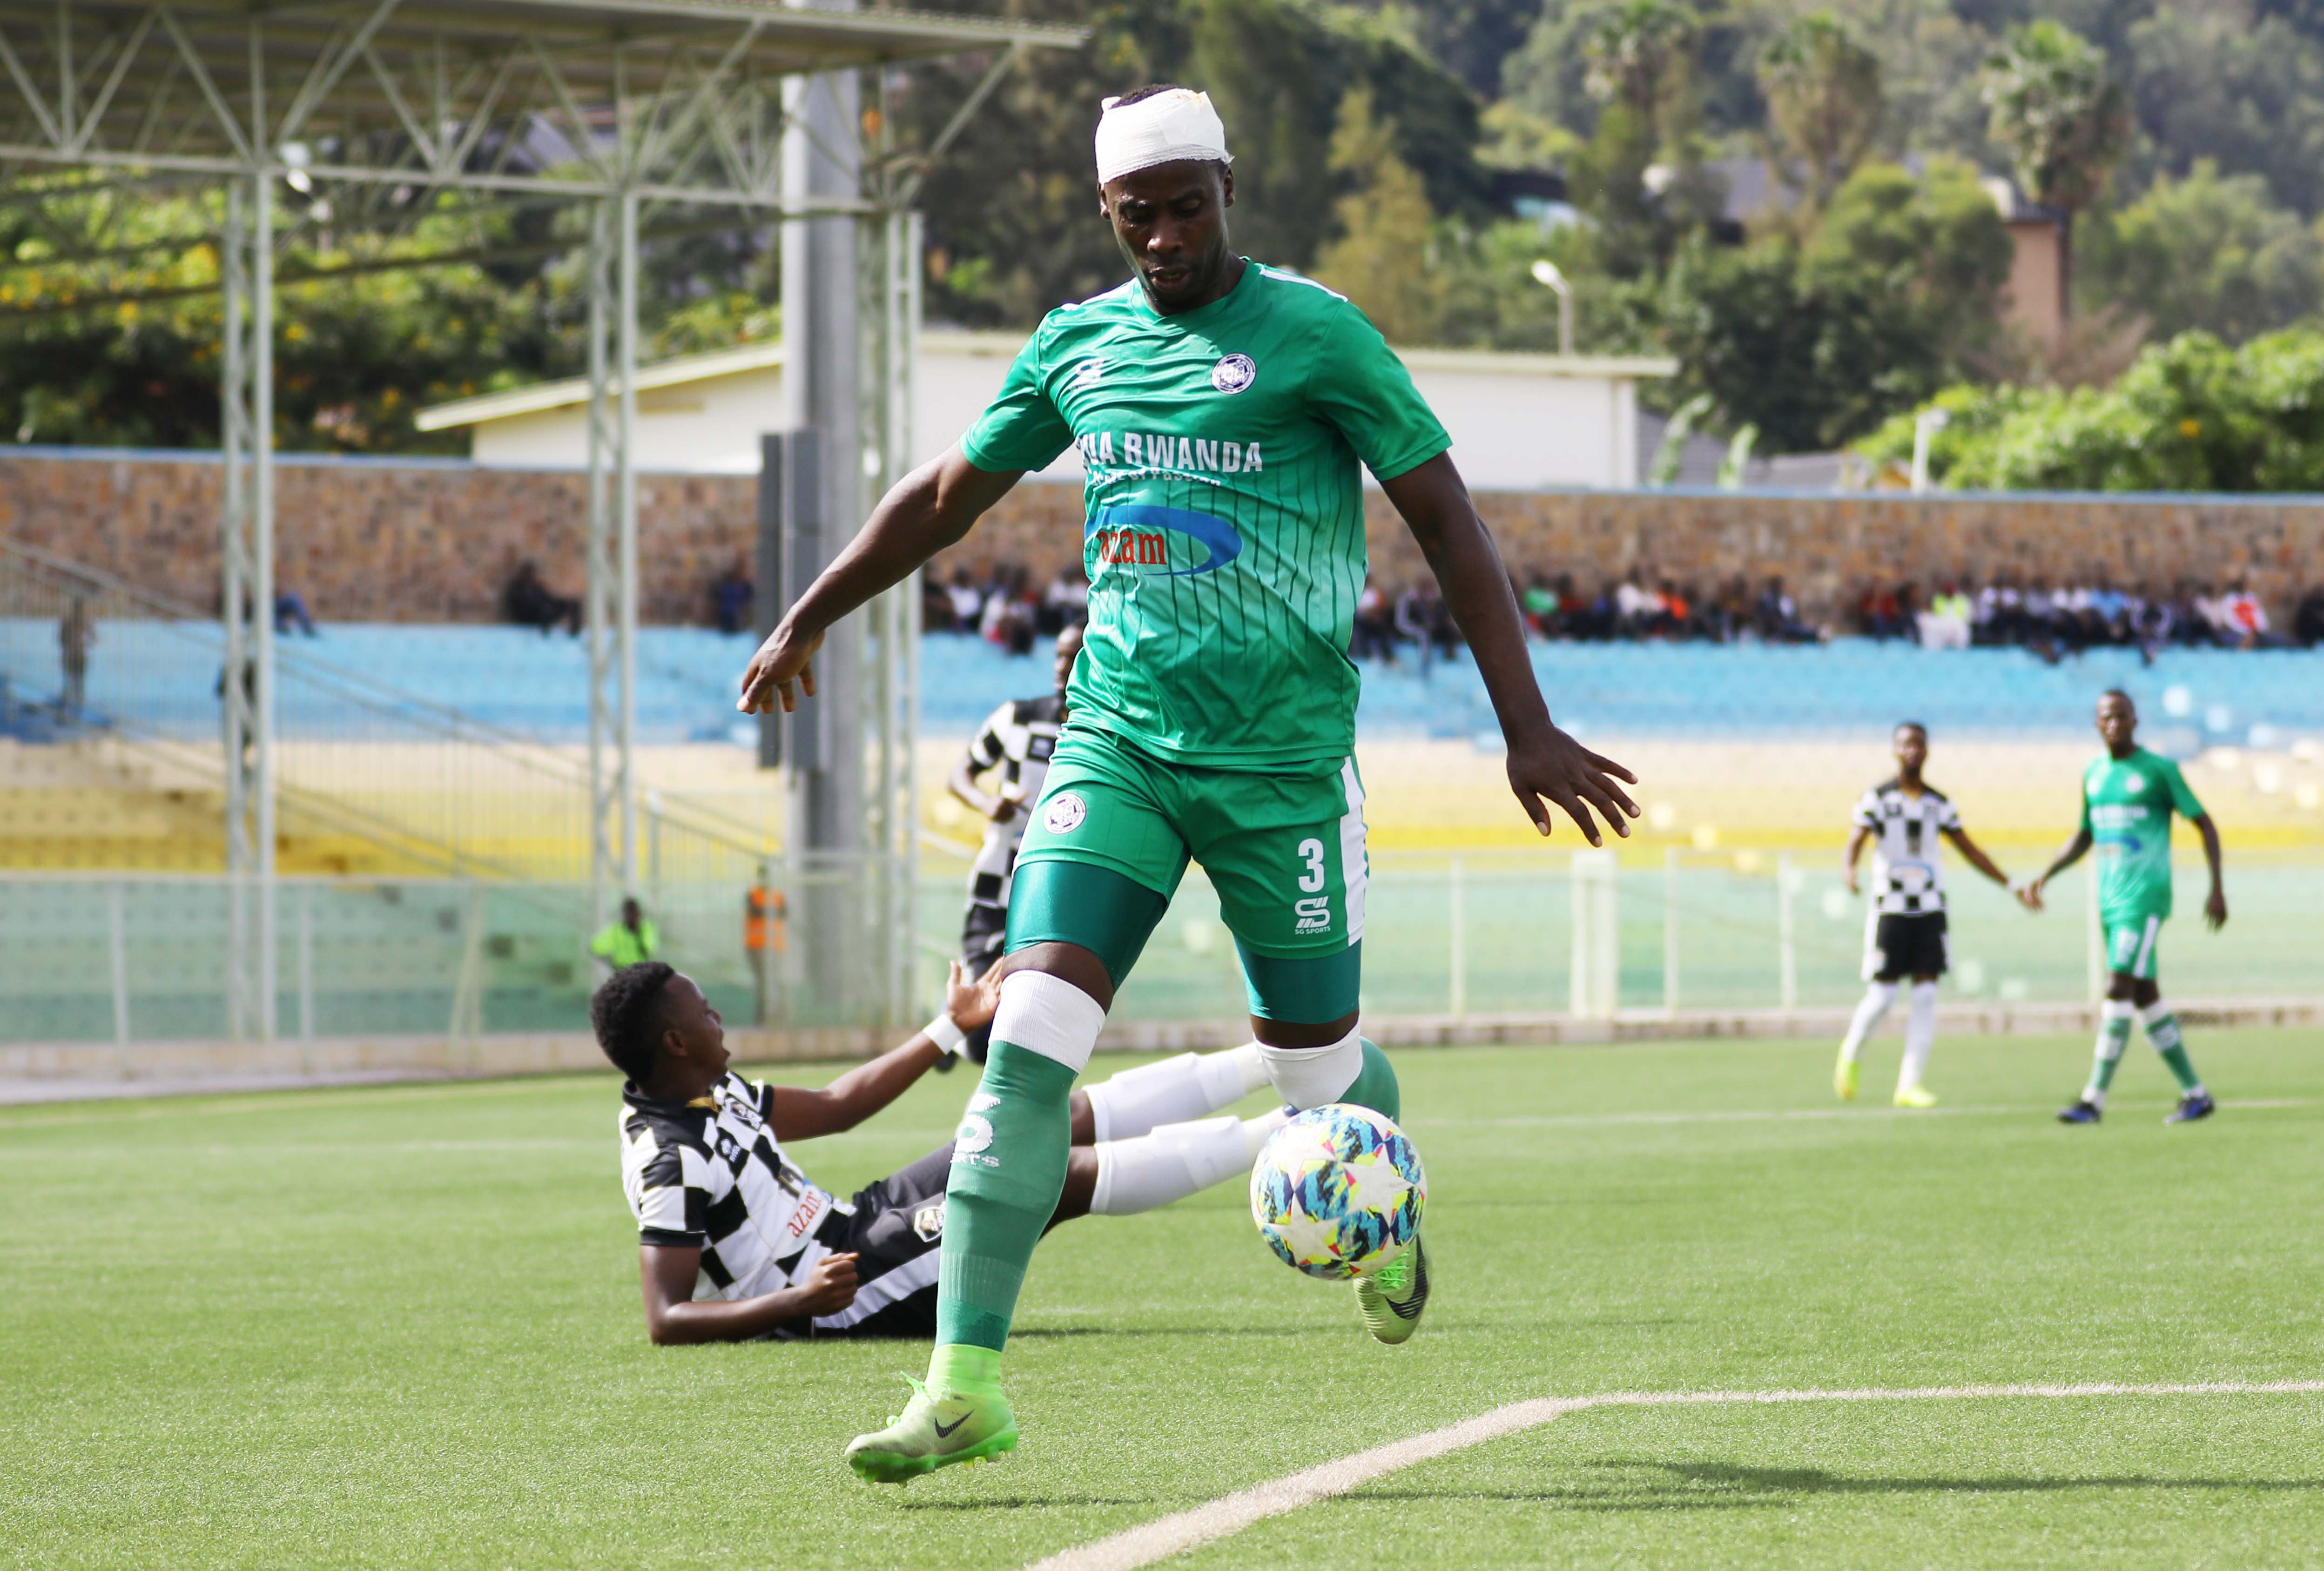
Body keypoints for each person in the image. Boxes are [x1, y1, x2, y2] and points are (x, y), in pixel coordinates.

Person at [734, 82, 1637, 1483]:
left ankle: (1376, 1204)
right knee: (1026, 1034)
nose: (1160, 237)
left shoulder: (1313, 335)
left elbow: (1446, 521)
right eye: (1133, 215)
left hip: (1280, 773)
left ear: (1227, 192)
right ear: (1108, 216)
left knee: (1317, 1069)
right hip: (1119, 746)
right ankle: (963, 1383)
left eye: (1183, 207)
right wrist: (811, 611)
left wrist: (1524, 726)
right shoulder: (1077, 345)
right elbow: (942, 495)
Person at [599, 959, 1289, 1346]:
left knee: (1049, 1116)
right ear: (675, 1043)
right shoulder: (668, 1158)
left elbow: (841, 1105)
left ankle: (1272, 1063)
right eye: (705, 1011)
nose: (718, 1017)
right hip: (840, 1292)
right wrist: (796, 1301)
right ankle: (1288, 1131)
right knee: (1044, 1174)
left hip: (852, 1223)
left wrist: (948, 1027)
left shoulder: (714, 1089)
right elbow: (667, 1318)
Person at [2022, 691, 2227, 1126]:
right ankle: (2196, 1095)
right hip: (2109, 900)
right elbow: (2084, 835)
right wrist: (2046, 875)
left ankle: (2092, 1101)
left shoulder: (2159, 771)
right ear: (2096, 724)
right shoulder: (2094, 774)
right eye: (2104, 718)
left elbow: (2204, 823)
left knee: (2117, 987)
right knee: (2145, 995)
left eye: (2120, 716)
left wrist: (2217, 888)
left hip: (2145, 898)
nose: (2112, 724)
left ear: (2135, 720)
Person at [1833, 722, 2027, 1108]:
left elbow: (1969, 849)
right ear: (1894, 750)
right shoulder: (1877, 798)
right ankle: (1851, 1053)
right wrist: (1850, 870)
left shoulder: (1939, 803)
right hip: (1891, 907)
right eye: (1905, 744)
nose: (1912, 751)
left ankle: (1909, 1085)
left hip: (1930, 908)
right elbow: (1855, 840)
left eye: (1918, 745)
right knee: (1884, 996)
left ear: (1927, 751)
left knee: (1925, 996)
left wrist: (2009, 883)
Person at [946, 624, 1081, 1059]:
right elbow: (959, 775)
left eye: (1075, 655)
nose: (1063, 666)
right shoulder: (1017, 717)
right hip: (997, 885)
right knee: (982, 1040)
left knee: (1033, 1030)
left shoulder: (1108, 735)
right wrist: (987, 804)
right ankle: (952, 1027)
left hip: (1059, 895)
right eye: (1059, 656)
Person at [743, 872, 786, 1025]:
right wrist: (769, 910)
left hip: (774, 947)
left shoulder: (778, 895)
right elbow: (756, 911)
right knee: (764, 983)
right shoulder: (753, 894)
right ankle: (764, 1019)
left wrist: (768, 909)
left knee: (773, 983)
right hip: (757, 946)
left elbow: (784, 912)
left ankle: (776, 1018)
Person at [503, 560, 581, 636]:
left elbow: (550, 599)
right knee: (544, 609)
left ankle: (574, 633)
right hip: (528, 617)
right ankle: (545, 634)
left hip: (543, 614)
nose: (532, 575)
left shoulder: (536, 587)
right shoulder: (517, 587)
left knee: (572, 604)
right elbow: (517, 606)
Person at [590, 897, 657, 972]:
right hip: (622, 971)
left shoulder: (645, 928)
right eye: (629, 913)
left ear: (639, 914)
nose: (632, 917)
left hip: (640, 971)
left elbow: (647, 953)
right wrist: (611, 962)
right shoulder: (616, 930)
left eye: (634, 913)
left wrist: (638, 935)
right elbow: (594, 947)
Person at [56, 597, 92, 721]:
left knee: (74, 686)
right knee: (74, 686)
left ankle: (73, 714)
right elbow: (61, 639)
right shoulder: (80, 622)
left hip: (74, 656)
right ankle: (70, 714)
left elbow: (61, 639)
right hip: (75, 656)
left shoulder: (80, 622)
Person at [711, 553, 757, 635]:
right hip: (725, 619)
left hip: (737, 621)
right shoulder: (725, 585)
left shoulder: (745, 587)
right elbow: (716, 597)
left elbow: (748, 600)